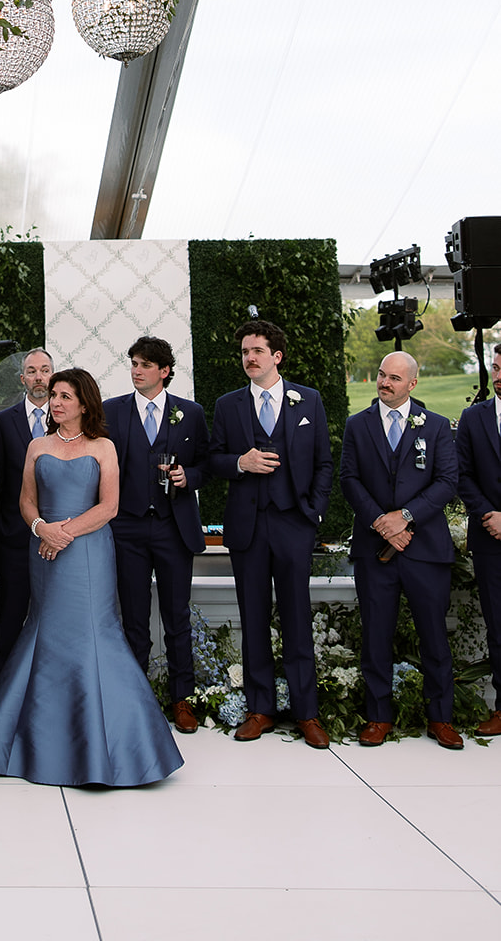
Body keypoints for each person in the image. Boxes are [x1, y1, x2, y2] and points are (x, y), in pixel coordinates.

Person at [0, 368, 183, 787]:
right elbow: (26, 501)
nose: (56, 402)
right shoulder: (37, 446)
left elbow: (109, 507)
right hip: (45, 551)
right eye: (54, 395)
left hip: (87, 552)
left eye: (65, 396)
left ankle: (119, 749)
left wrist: (63, 532)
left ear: (84, 404)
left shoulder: (103, 446)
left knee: (95, 633)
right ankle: (34, 744)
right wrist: (41, 530)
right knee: (45, 630)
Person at [208, 320, 332, 747]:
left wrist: (311, 513)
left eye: (257, 350)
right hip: (247, 527)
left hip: (293, 524)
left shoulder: (308, 401)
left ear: (276, 356)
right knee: (254, 618)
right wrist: (240, 463)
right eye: (244, 351)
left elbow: (324, 463)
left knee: (298, 618)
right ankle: (259, 709)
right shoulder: (228, 405)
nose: (249, 358)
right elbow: (212, 460)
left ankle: (306, 713)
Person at [341, 351, 462, 748]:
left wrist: (406, 517)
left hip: (425, 549)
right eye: (381, 375)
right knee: (376, 635)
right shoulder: (358, 425)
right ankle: (378, 717)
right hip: (375, 549)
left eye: (394, 378)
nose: (384, 383)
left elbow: (446, 481)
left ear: (412, 384)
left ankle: (440, 717)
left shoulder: (438, 426)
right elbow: (350, 480)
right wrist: (382, 522)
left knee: (434, 636)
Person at [103, 336, 209, 733]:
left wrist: (189, 476)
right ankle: (136, 698)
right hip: (127, 527)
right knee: (132, 619)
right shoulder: (112, 412)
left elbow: (207, 463)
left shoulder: (191, 413)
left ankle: (183, 700)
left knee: (177, 616)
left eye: (145, 364)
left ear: (164, 371)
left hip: (173, 527)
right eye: (133, 363)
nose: (136, 370)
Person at [0, 348, 53, 686]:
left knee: (53, 617)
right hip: (12, 539)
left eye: (45, 370)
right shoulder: (2, 422)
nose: (39, 377)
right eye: (32, 371)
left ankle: (47, 689)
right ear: (22, 378)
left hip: (60, 540)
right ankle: (5, 690)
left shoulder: (69, 422)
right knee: (11, 616)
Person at [456, 343, 501, 737]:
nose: (499, 375)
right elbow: (462, 475)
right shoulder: (473, 418)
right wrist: (488, 514)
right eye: (497, 368)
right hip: (491, 540)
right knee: (499, 626)